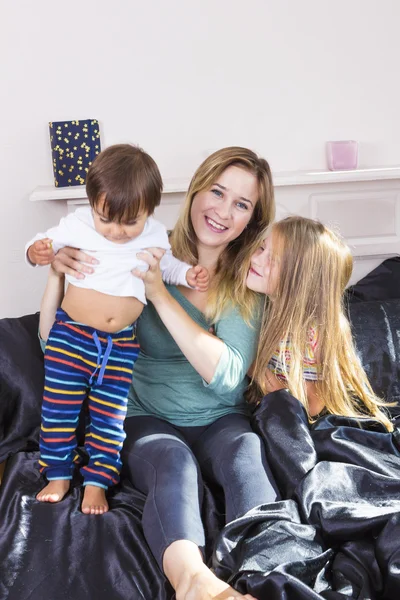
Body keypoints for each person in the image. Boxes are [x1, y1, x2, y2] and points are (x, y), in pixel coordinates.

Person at [46, 146, 277, 600]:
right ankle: (195, 584)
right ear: (195, 191)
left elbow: (230, 377)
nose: (222, 212)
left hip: (220, 418)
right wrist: (58, 274)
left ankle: (270, 574)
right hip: (145, 414)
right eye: (217, 192)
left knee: (247, 451)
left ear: (251, 218)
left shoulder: (246, 278)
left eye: (242, 204)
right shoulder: (137, 244)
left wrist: (159, 292)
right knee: (172, 461)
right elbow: (56, 341)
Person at [25, 144, 209, 516]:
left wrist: (186, 273)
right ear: (92, 204)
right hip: (71, 338)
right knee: (58, 412)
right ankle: (58, 474)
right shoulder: (77, 225)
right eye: (106, 219)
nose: (118, 231)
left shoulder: (155, 234)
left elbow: (167, 267)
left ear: (150, 211)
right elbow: (41, 243)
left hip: (120, 347)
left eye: (131, 222)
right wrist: (37, 251)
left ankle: (97, 481)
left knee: (110, 420)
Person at [245, 215, 393, 431]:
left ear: (299, 279)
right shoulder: (264, 307)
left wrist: (249, 365)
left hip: (311, 427)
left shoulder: (312, 333)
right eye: (260, 248)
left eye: (272, 259)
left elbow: (310, 406)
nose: (256, 259)